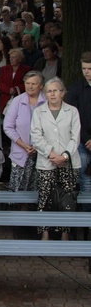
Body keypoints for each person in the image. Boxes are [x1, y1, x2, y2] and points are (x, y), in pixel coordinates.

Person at [31, 77, 82, 240]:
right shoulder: (39, 112)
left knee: (67, 199)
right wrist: (52, 154)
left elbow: (76, 136)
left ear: (62, 93)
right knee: (45, 198)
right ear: (45, 94)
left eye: (56, 90)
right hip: (46, 162)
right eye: (49, 91)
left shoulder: (72, 111)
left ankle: (65, 233)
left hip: (69, 163)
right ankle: (45, 233)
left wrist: (65, 156)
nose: (52, 94)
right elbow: (36, 136)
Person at [4, 71, 45, 193]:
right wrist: (24, 145)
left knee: (39, 189)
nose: (30, 86)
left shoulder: (47, 101)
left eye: (33, 83)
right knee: (19, 190)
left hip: (43, 153)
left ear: (41, 86)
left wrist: (38, 146)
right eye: (27, 83)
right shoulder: (17, 101)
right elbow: (8, 127)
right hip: (21, 152)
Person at [66, 52, 91, 210]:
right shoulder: (76, 89)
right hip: (82, 141)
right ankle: (88, 221)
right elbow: (72, 118)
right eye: (84, 68)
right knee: (85, 179)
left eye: (89, 68)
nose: (87, 71)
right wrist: (86, 138)